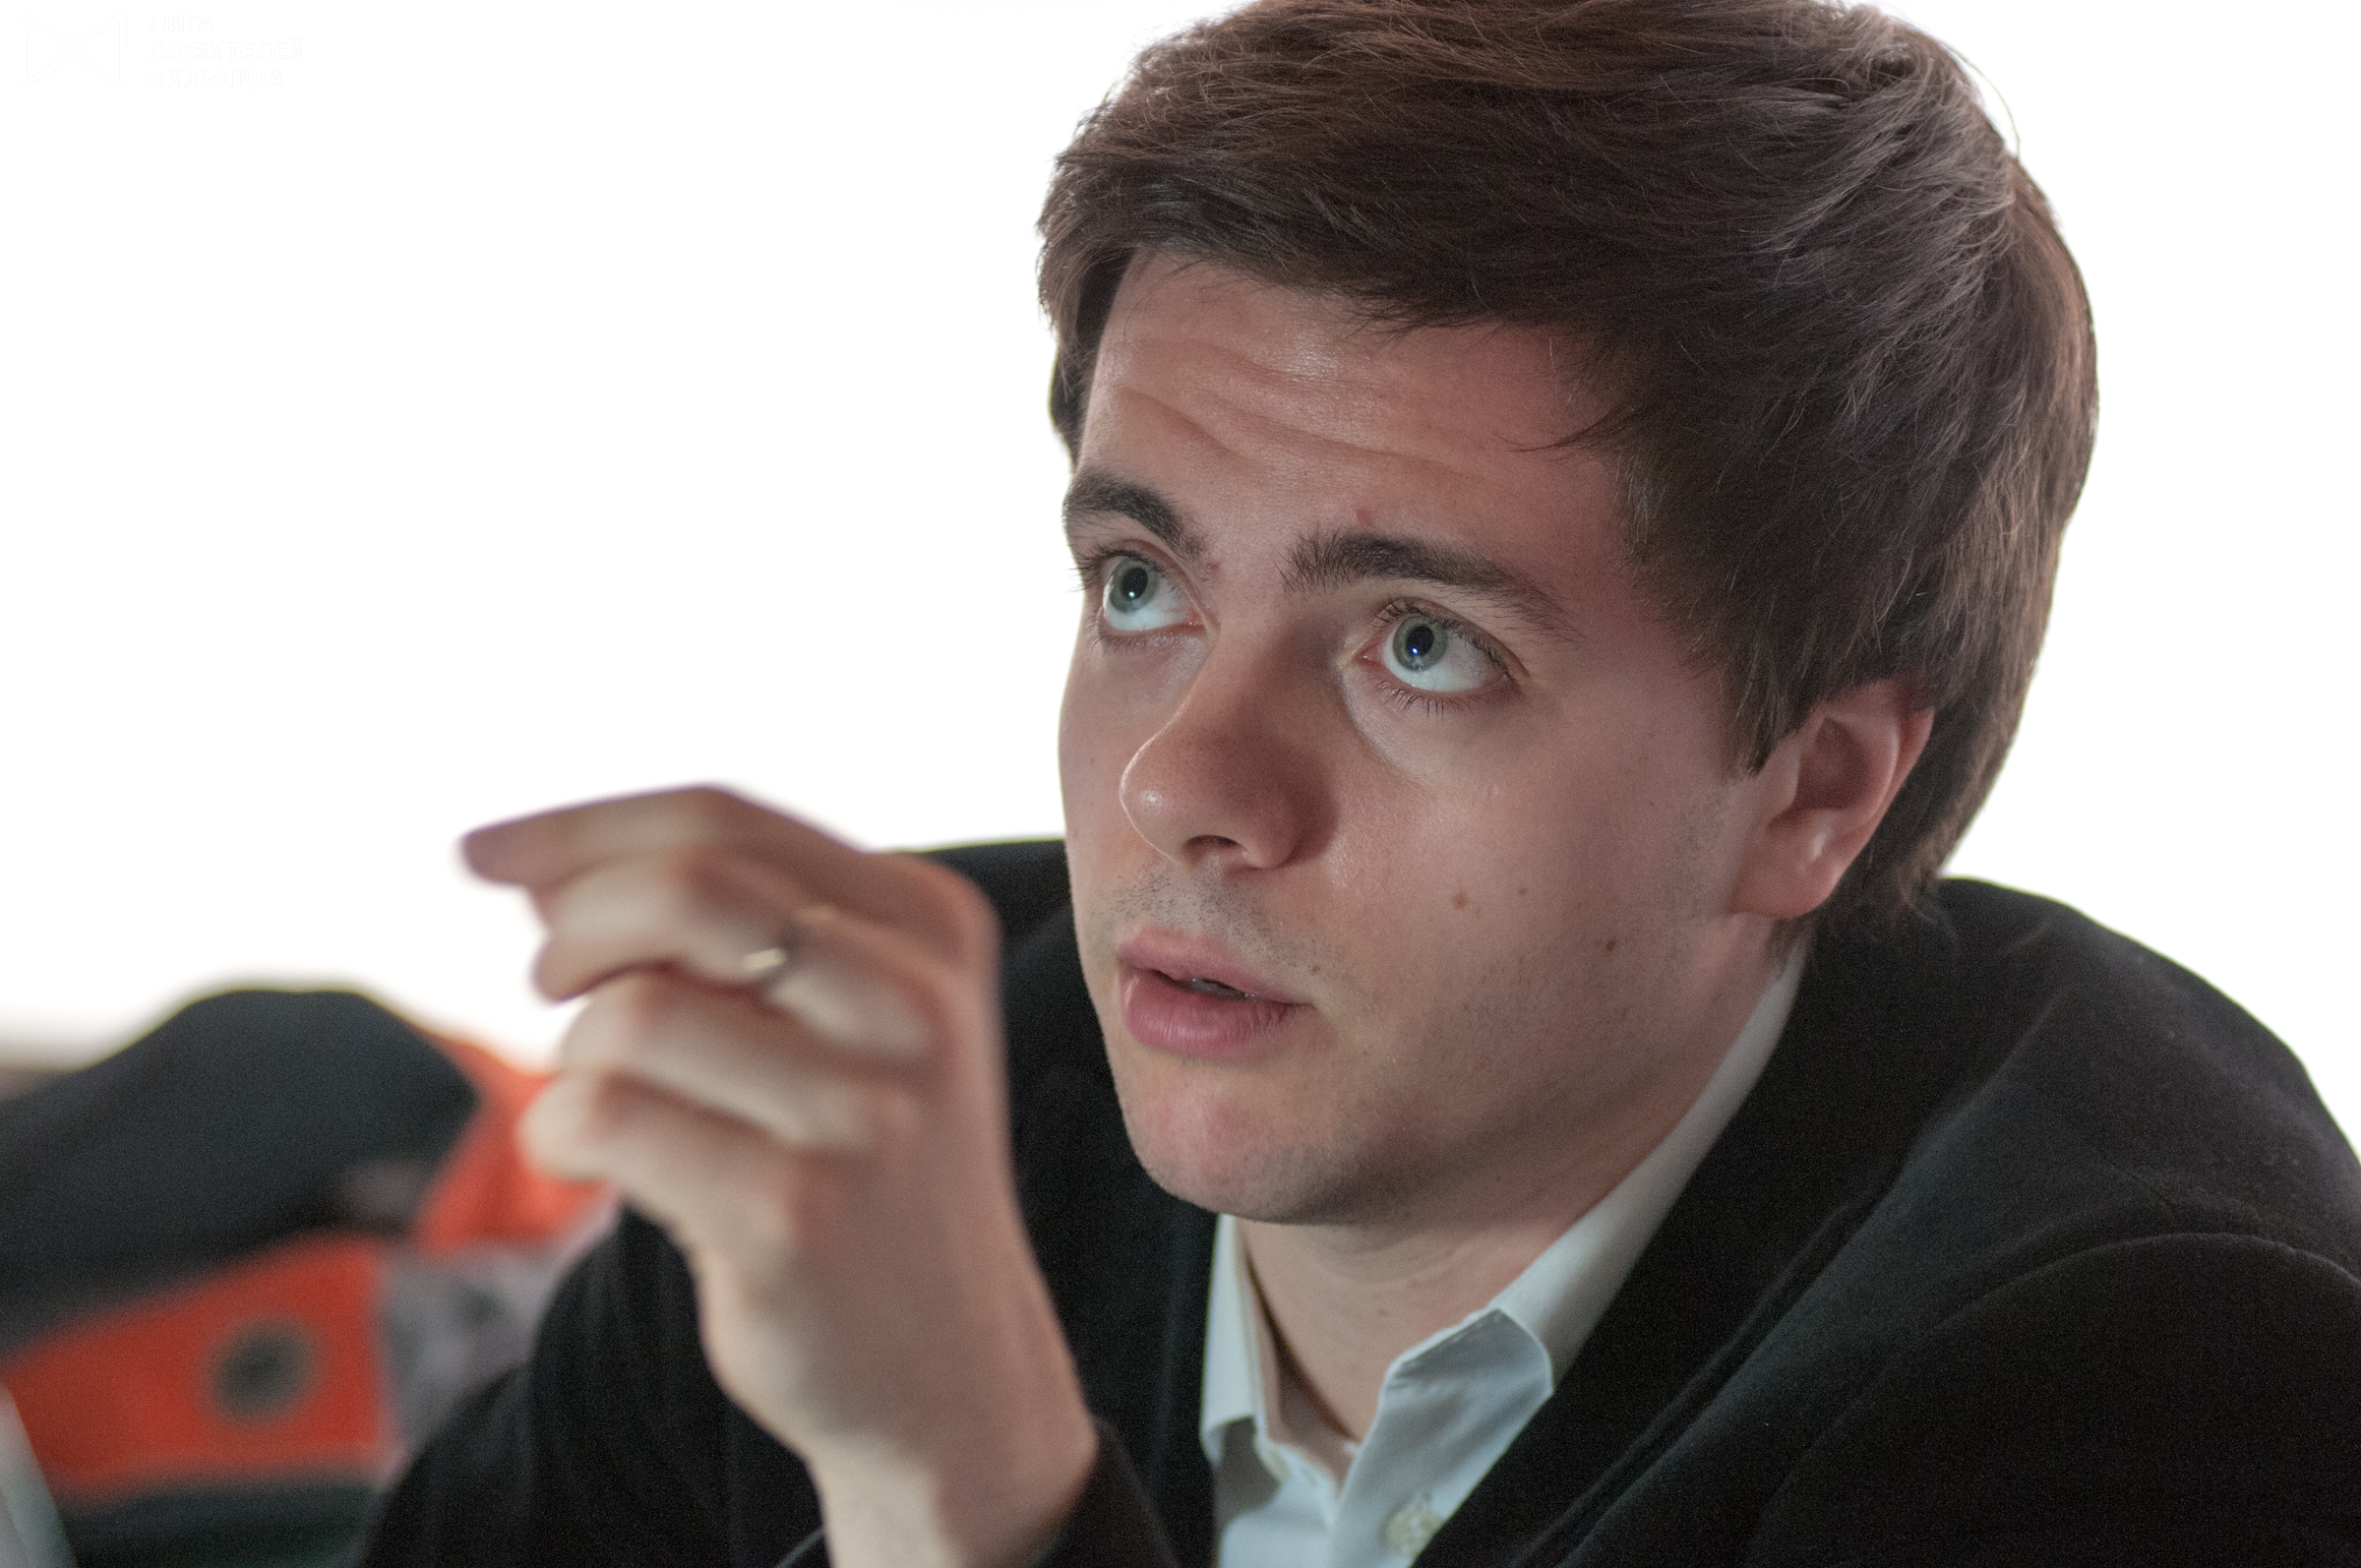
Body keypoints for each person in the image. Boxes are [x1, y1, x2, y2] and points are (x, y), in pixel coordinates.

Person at [359, 1, 2361, 1564]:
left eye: (1419, 642)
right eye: (1141, 584)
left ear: (1811, 791)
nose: (1183, 782)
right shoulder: (902, 1112)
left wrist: (964, 1493)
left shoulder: (2163, 1384)